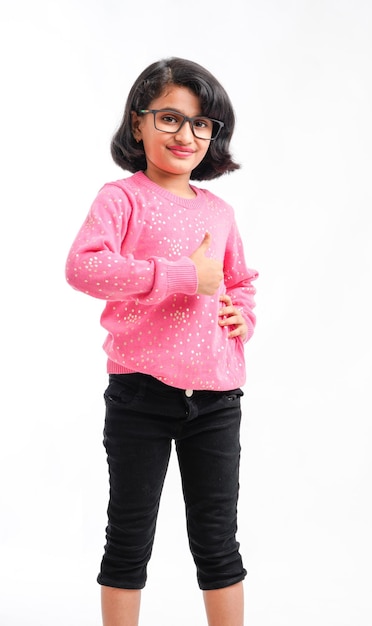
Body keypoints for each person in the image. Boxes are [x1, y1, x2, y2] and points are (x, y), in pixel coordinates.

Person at [65, 56, 258, 626]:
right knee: (129, 536)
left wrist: (242, 316)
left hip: (217, 399)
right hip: (140, 396)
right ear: (137, 123)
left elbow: (241, 280)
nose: (186, 135)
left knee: (218, 542)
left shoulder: (220, 212)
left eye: (202, 124)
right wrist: (177, 275)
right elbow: (83, 268)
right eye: (170, 118)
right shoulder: (121, 199)